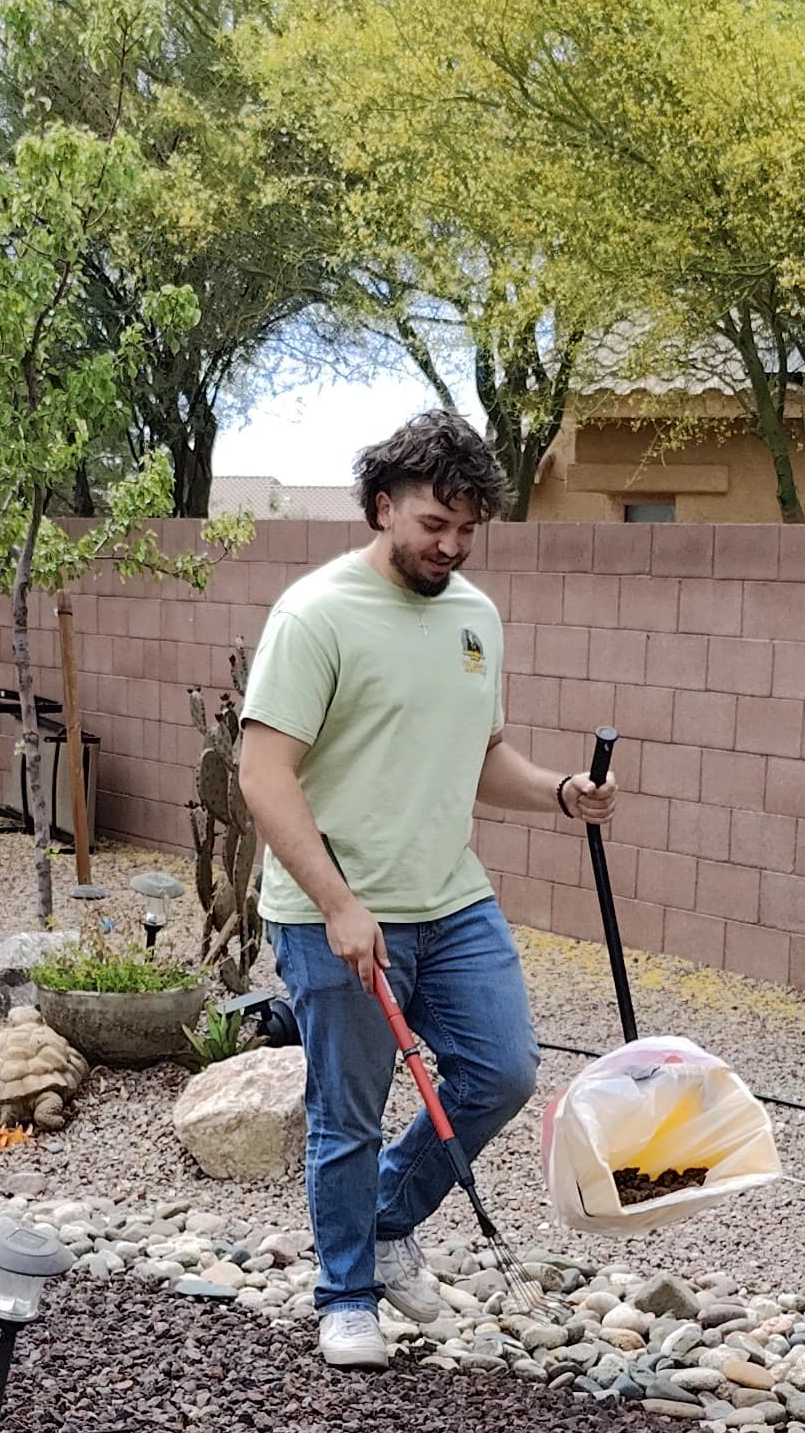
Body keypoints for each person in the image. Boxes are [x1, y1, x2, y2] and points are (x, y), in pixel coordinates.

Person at [236, 407, 617, 1369]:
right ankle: (347, 1294)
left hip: (451, 900)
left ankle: (389, 1219)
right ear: (381, 507)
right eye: (430, 526)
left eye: (465, 531)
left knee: (503, 1072)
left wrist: (560, 794)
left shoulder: (474, 619)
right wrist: (337, 905)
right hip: (337, 909)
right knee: (348, 1112)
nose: (448, 547)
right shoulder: (315, 614)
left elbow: (481, 757)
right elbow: (262, 773)